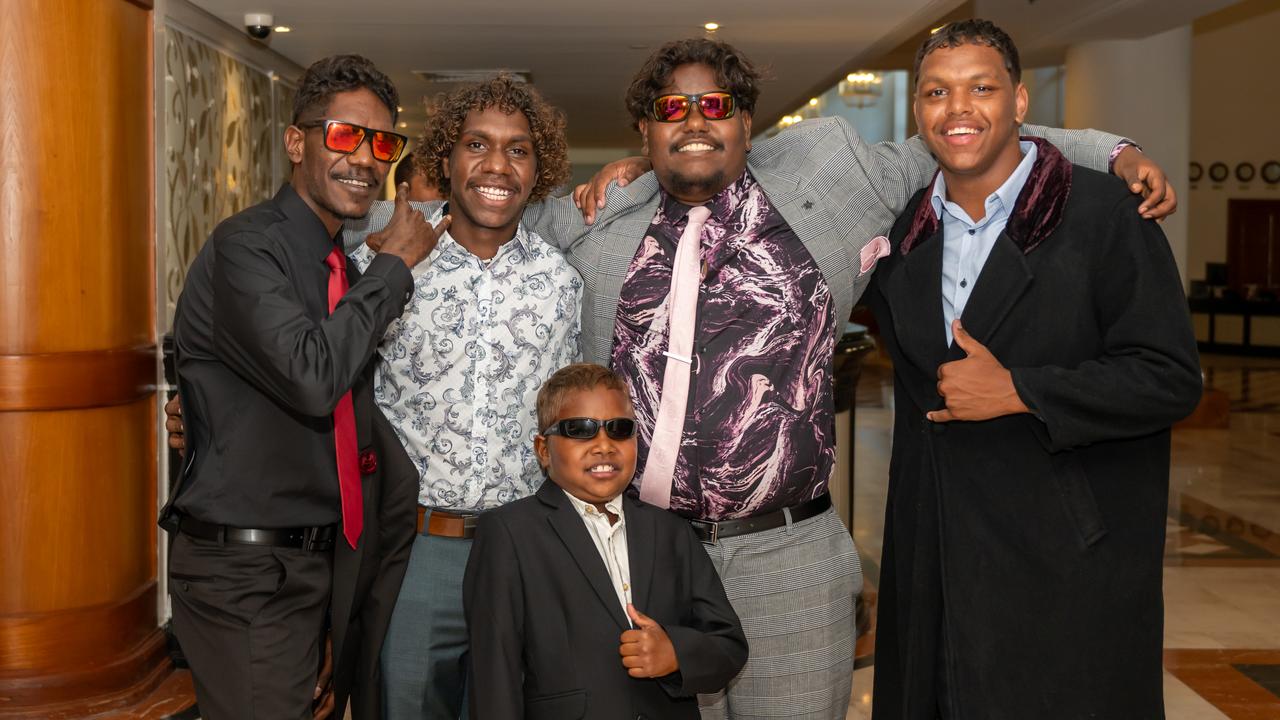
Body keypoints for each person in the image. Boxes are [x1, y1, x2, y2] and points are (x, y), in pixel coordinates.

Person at [343, 36, 1176, 720]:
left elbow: (961, 137)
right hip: (649, 558)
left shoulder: (829, 180)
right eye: (673, 110)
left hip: (790, 556)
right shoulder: (600, 227)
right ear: (645, 131)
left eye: (715, 107)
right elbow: (460, 211)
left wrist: (1115, 152)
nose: (695, 123)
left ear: (749, 124)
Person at [864, 20, 1201, 719]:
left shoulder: (1106, 213)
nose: (958, 109)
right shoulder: (901, 235)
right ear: (918, 110)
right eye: (937, 92)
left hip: (1065, 557)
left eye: (981, 88)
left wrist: (1020, 390)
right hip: (934, 558)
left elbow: (1169, 376)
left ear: (1019, 102)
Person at [160, 54, 446, 720]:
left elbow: (346, 410)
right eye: (346, 135)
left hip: (314, 561)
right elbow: (314, 378)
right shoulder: (247, 247)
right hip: (246, 569)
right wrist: (394, 265)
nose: (368, 159)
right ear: (297, 141)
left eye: (384, 143)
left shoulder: (340, 265)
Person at [352, 75, 582, 720]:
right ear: (446, 159)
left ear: (540, 170)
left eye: (518, 150)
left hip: (522, 553)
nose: (496, 167)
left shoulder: (561, 284)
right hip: (417, 551)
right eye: (477, 145)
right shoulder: (389, 265)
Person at [463, 363, 748, 719]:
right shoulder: (509, 533)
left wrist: (675, 653)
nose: (603, 445)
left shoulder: (671, 531)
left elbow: (729, 645)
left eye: (620, 430)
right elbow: (494, 678)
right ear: (544, 449)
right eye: (580, 430)